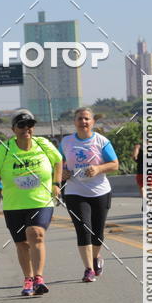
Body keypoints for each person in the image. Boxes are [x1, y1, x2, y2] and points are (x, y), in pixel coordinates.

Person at [0, 110, 62, 296]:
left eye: (29, 125)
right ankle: (28, 279)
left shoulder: (43, 144)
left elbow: (58, 160)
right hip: (14, 205)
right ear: (13, 129)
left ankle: (38, 278)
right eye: (21, 125)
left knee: (35, 233)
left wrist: (56, 183)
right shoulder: (5, 149)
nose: (26, 129)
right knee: (21, 243)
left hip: (41, 201)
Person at [60, 107, 119, 282]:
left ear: (92, 122)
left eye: (86, 119)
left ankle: (95, 257)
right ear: (74, 122)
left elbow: (115, 164)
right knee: (83, 229)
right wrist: (62, 172)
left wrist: (99, 168)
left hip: (100, 191)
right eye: (80, 119)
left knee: (97, 233)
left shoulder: (102, 141)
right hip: (74, 191)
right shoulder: (66, 142)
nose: (83, 122)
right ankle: (88, 269)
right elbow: (58, 163)